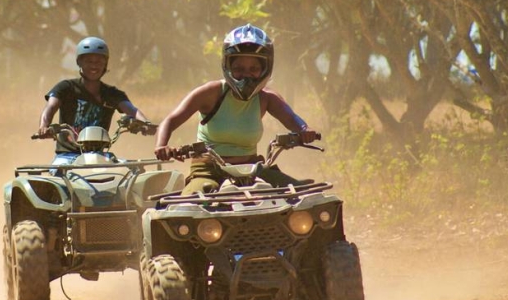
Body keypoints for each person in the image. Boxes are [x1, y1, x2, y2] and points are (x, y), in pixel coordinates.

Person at [154, 24, 319, 194]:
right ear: (228, 66)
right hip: (209, 172)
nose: (246, 74)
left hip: (253, 171)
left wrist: (305, 130)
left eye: (254, 69)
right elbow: (170, 121)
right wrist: (162, 146)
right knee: (188, 207)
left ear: (265, 69)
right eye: (239, 69)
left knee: (303, 197)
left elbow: (292, 119)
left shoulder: (266, 98)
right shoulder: (210, 93)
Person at [38, 36, 151, 165]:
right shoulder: (66, 88)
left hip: (100, 155)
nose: (94, 65)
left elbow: (132, 110)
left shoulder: (112, 93)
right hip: (67, 156)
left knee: (130, 171)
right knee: (59, 175)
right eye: (89, 61)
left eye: (99, 62)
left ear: (105, 64)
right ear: (80, 62)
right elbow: (50, 107)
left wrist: (146, 123)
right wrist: (44, 126)